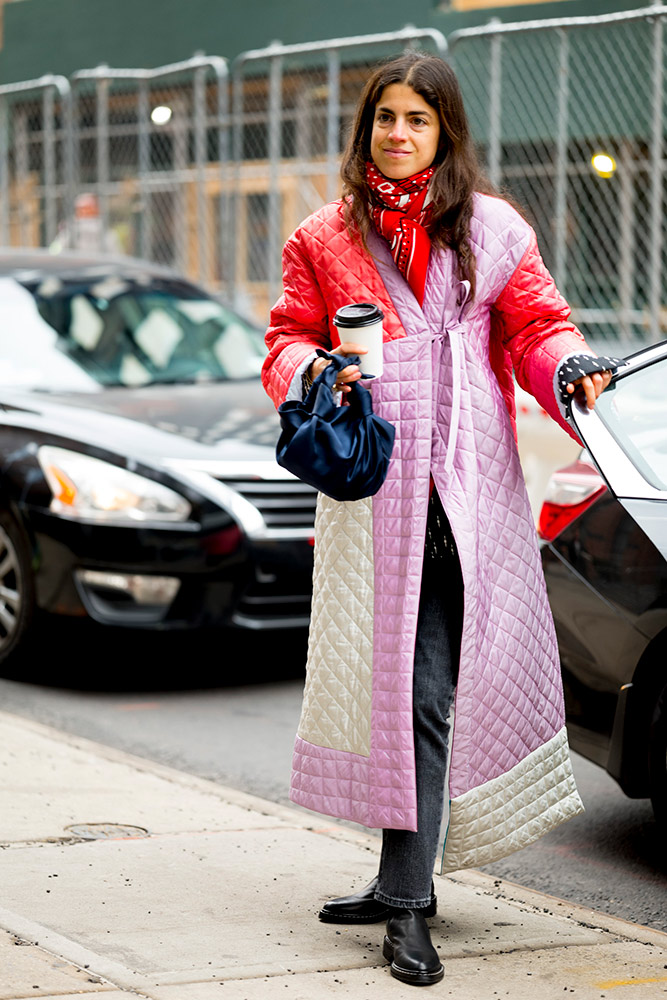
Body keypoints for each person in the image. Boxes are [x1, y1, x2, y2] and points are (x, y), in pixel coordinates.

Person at [261, 53, 620, 988]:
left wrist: (570, 365)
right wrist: (315, 372)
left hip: (472, 486)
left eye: (417, 119)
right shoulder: (325, 236)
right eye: (385, 117)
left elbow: (537, 327)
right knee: (403, 692)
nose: (397, 133)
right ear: (365, 127)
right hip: (377, 487)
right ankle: (401, 891)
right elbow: (283, 339)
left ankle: (406, 895)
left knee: (429, 689)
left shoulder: (493, 229)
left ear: (444, 132)